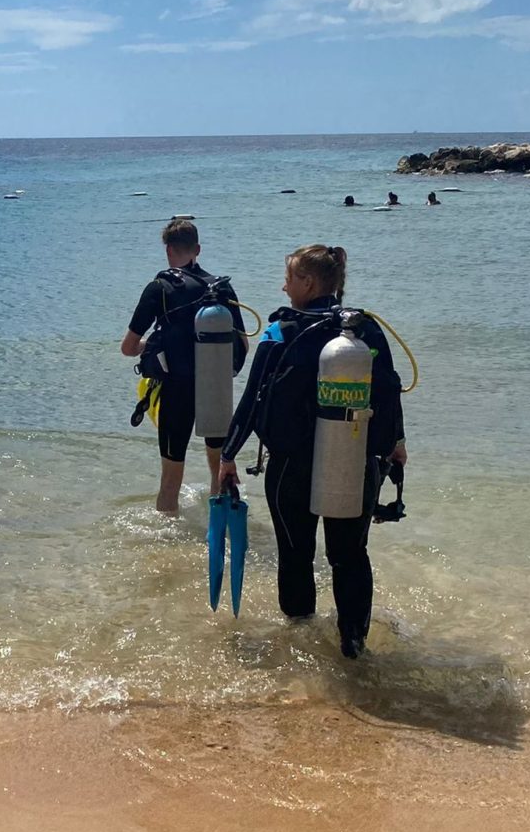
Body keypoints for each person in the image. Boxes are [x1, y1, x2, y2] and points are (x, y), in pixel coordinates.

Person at [218, 245, 407, 658]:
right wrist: (397, 445)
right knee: (349, 556)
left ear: (308, 282)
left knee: (296, 554)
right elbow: (389, 390)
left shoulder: (280, 330)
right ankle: (354, 646)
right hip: (356, 461)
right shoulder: (366, 330)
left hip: (291, 467)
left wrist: (228, 456)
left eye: (289, 278)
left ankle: (300, 646)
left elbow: (252, 399)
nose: (283, 287)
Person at [122, 219, 247, 513]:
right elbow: (242, 346)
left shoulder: (159, 288)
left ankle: (168, 543)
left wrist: (151, 348)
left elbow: (128, 348)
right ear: (198, 250)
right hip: (216, 386)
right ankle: (221, 529)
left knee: (170, 478)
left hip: (177, 390)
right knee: (221, 467)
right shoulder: (222, 288)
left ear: (168, 250)